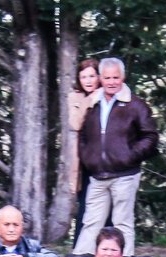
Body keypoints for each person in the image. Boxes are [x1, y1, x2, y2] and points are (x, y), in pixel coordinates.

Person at [73, 57, 159, 257]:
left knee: (122, 222)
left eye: (115, 77)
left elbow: (150, 136)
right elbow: (83, 134)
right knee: (91, 222)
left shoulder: (135, 105)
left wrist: (129, 156)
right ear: (100, 78)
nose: (111, 82)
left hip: (125, 174)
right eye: (107, 77)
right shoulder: (92, 103)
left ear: (123, 77)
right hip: (97, 175)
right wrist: (88, 157)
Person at [68, 58, 100, 244]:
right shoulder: (76, 97)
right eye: (83, 77)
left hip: (108, 161)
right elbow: (75, 123)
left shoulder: (109, 95)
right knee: (85, 207)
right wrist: (90, 100)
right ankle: (79, 250)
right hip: (85, 162)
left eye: (92, 76)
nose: (88, 81)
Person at [61, 227, 156, 257]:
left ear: (122, 252)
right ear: (97, 249)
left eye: (114, 250)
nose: (108, 254)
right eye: (104, 249)